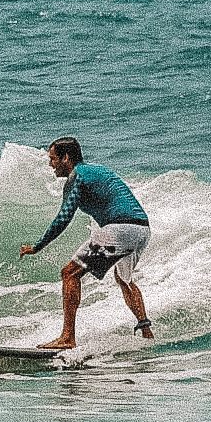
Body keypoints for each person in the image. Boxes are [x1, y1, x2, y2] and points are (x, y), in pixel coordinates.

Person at [18, 137, 152, 349]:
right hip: (141, 229)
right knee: (124, 279)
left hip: (119, 229)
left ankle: (67, 338)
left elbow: (63, 218)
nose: (50, 164)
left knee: (69, 273)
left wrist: (37, 246)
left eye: (53, 159)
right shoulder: (98, 170)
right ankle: (146, 332)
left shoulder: (76, 177)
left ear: (66, 158)